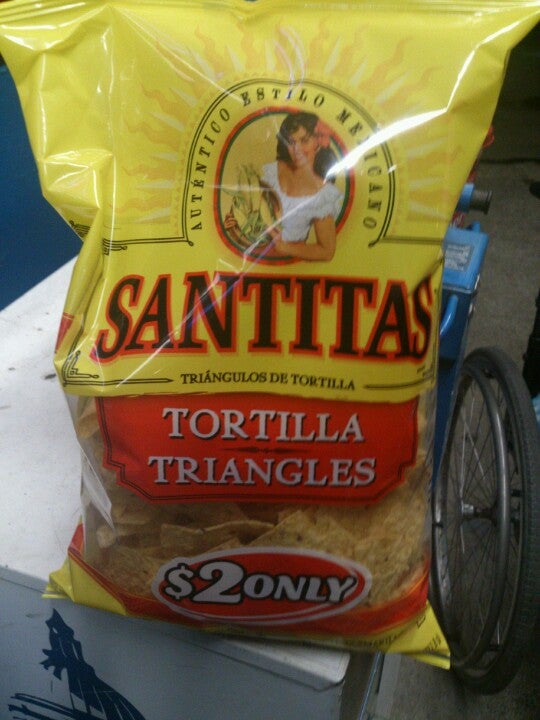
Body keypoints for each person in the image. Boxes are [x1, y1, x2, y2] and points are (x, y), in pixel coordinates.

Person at [225, 111, 343, 261]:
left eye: (304, 141)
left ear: (318, 143)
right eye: (291, 142)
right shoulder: (271, 171)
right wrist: (235, 226)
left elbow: (327, 251)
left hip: (285, 265)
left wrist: (285, 247)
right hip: (247, 260)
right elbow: (250, 206)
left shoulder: (323, 195)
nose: (297, 149)